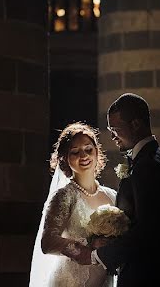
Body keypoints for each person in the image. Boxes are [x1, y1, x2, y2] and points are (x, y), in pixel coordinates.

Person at [75, 93, 160, 287]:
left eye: (115, 129)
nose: (111, 136)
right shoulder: (153, 158)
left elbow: (147, 230)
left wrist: (99, 255)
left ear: (135, 125)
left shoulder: (148, 165)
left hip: (151, 277)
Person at [30, 122, 117, 287]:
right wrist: (89, 245)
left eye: (88, 149)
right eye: (75, 152)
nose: (83, 156)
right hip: (71, 281)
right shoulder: (64, 196)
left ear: (97, 152)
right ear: (65, 159)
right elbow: (47, 243)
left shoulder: (112, 196)